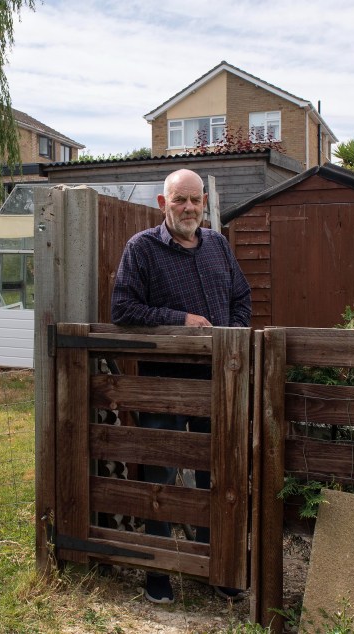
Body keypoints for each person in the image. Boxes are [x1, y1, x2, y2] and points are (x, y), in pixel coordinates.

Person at [111, 168, 251, 604]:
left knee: (217, 473)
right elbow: (122, 308)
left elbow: (242, 299)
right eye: (179, 201)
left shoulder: (219, 247)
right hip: (164, 384)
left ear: (204, 203)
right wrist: (182, 321)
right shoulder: (142, 249)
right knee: (162, 475)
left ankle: (214, 564)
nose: (189, 208)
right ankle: (159, 567)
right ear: (162, 203)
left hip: (217, 383)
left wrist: (232, 338)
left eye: (195, 200)